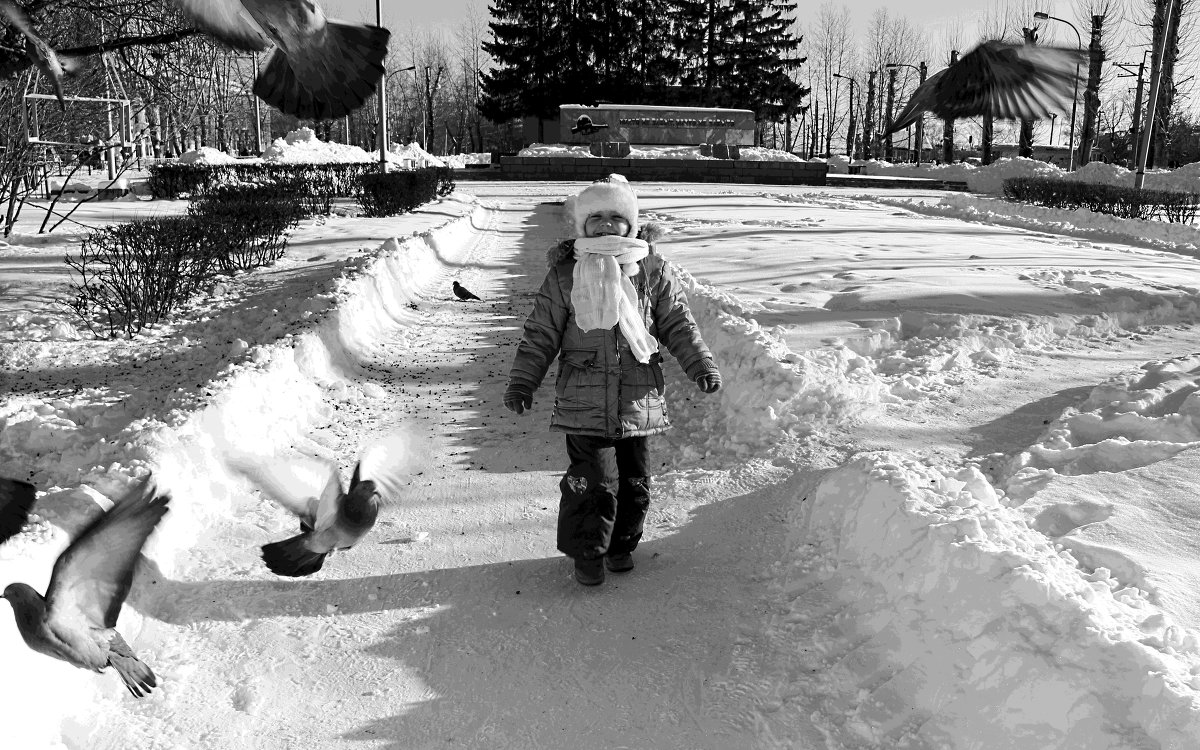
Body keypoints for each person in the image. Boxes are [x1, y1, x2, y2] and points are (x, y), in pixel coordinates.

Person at [504, 174, 721, 586]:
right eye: (596, 216)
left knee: (635, 483)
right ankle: (588, 552)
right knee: (593, 483)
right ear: (582, 224)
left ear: (633, 224)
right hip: (583, 399)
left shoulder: (652, 269)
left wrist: (700, 365)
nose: (606, 224)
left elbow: (678, 324)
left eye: (616, 217)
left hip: (638, 397)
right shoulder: (566, 274)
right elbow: (542, 334)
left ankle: (622, 545)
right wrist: (522, 382)